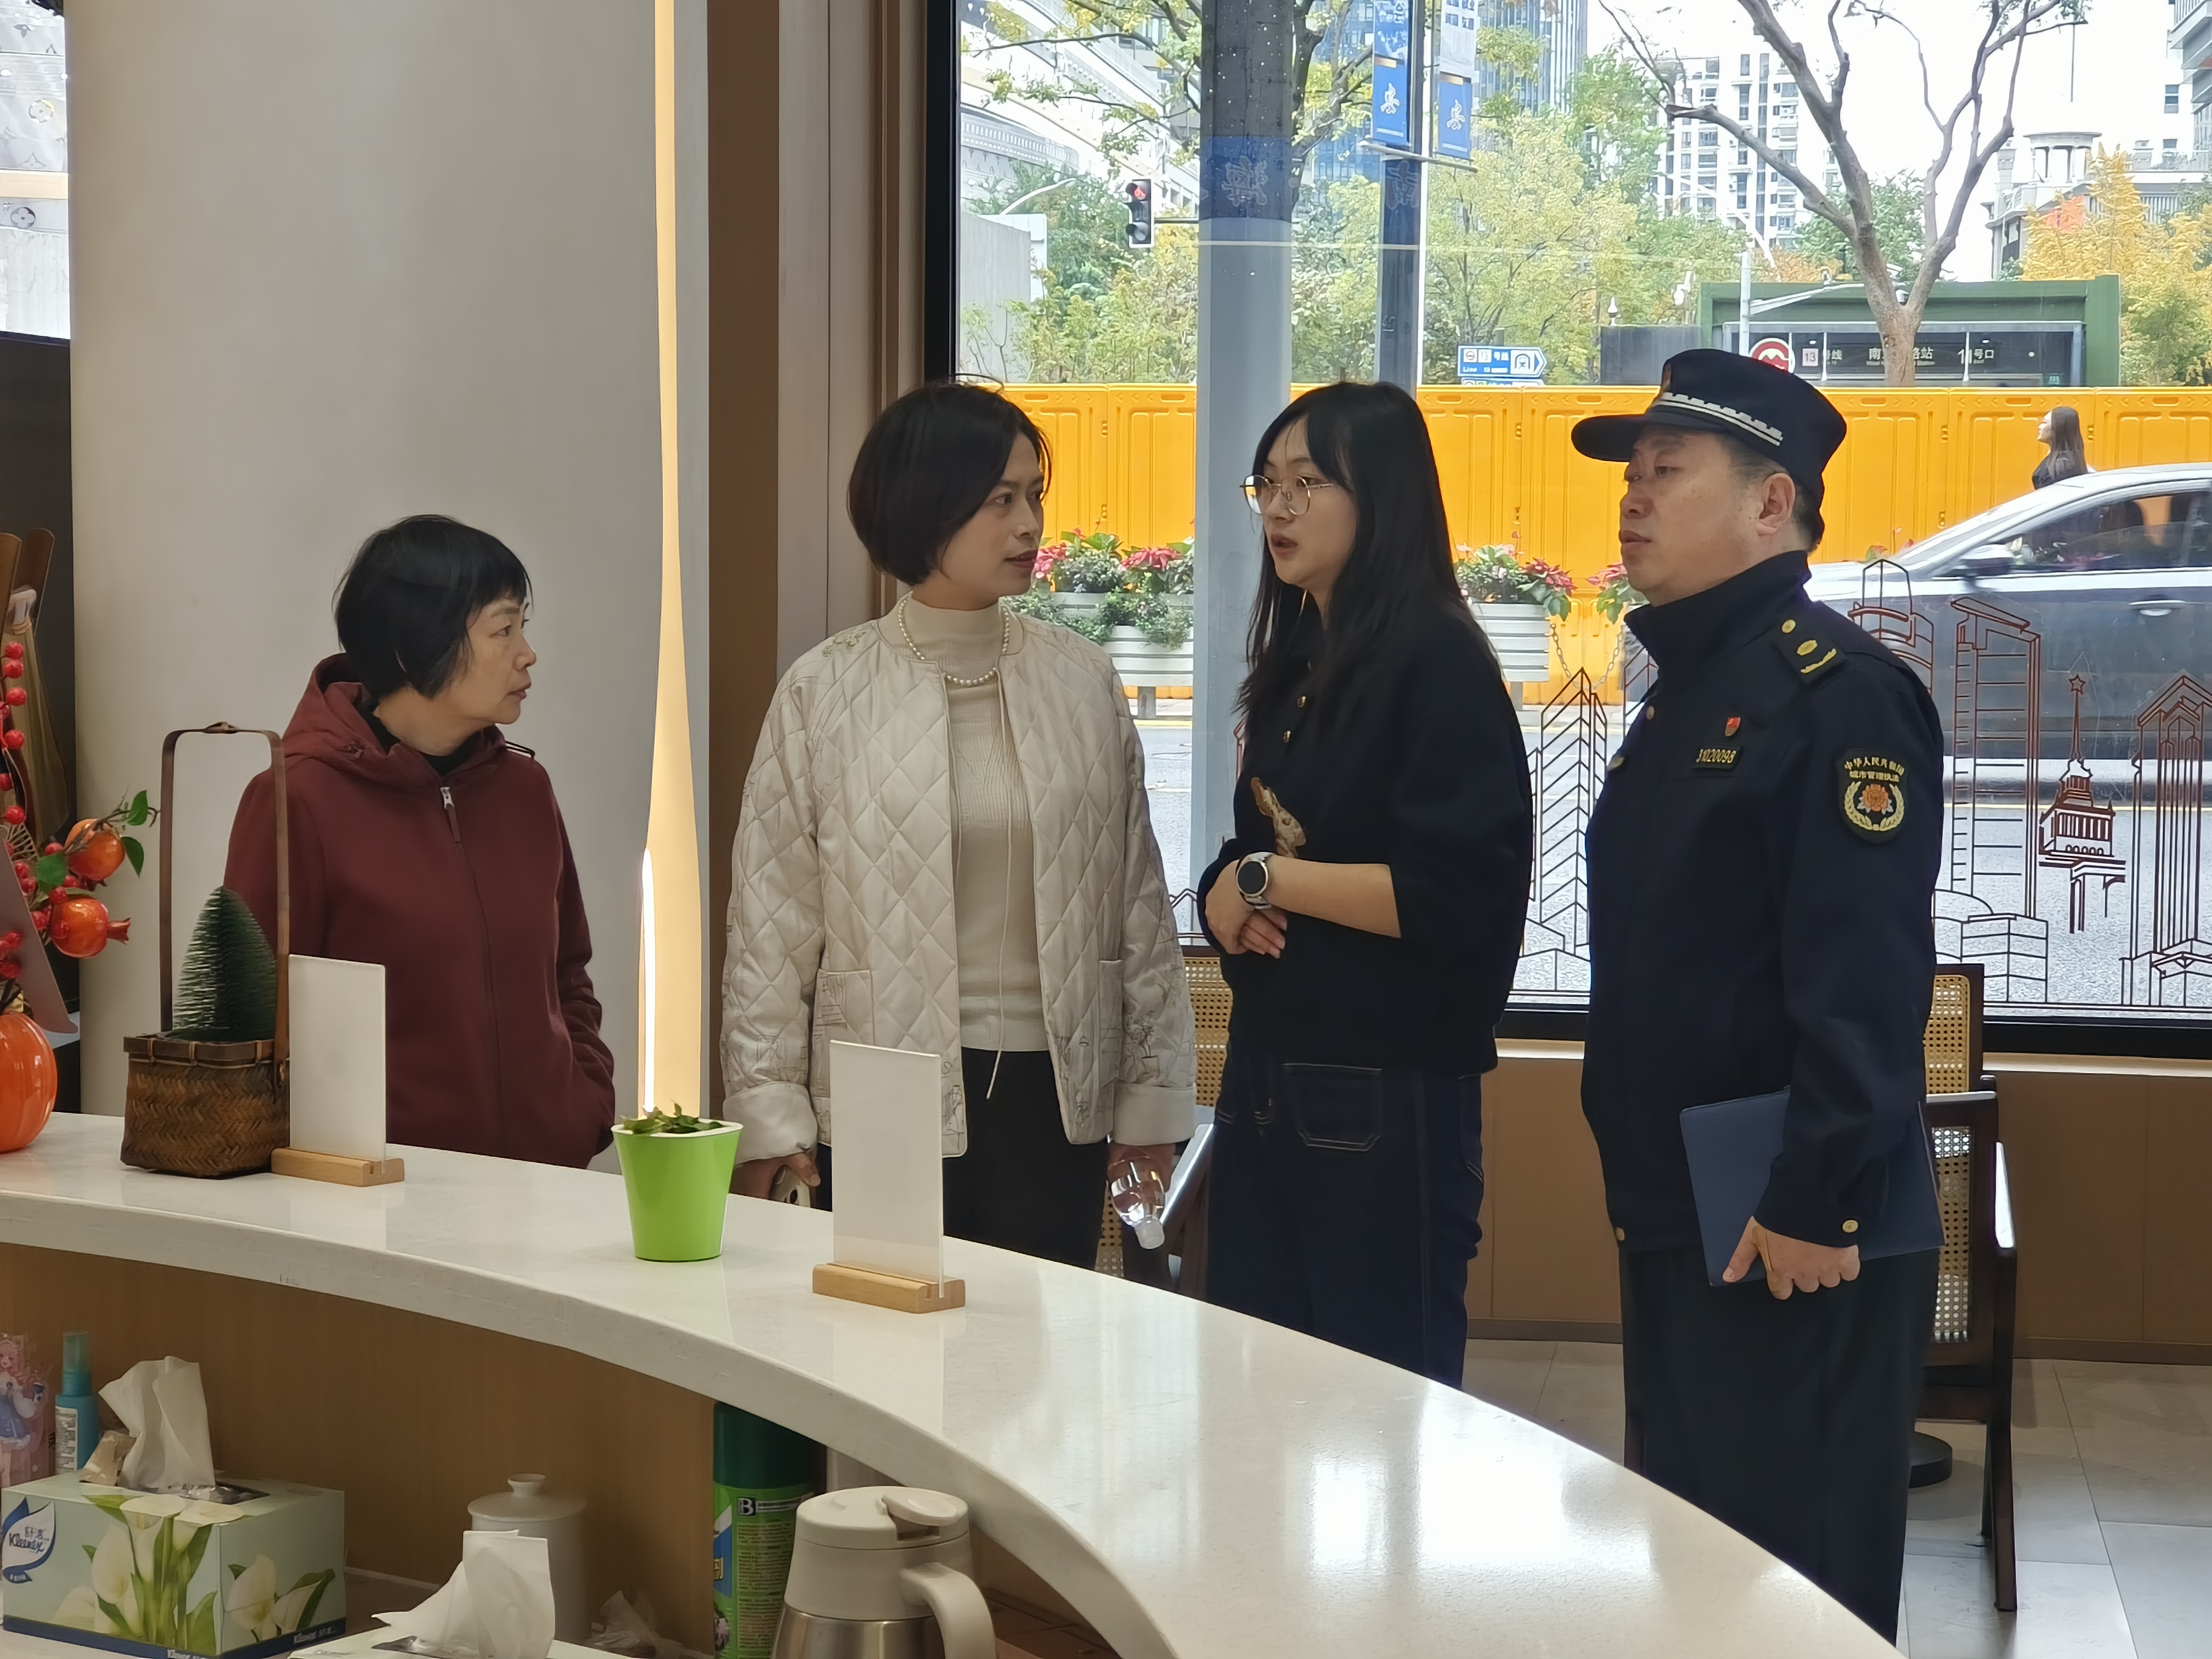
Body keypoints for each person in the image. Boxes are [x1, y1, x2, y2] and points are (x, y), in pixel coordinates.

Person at [1569, 350, 1944, 1640]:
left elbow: (1865, 981)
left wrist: (1812, 1197)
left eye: (1667, 472)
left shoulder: (1837, 697)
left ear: (1772, 502)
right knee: (1707, 1573)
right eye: (1631, 474)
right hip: (1686, 1205)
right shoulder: (1693, 692)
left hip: (1790, 1225)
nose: (1634, 497)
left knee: (1802, 1590)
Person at [722, 381, 1194, 1267]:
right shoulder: (825, 688)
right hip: (880, 1089)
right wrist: (769, 1112)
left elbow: (1137, 908)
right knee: (881, 1334)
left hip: (1057, 1091)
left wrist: (1151, 1103)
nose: (1029, 525)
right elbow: (771, 927)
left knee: (1033, 1338)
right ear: (923, 506)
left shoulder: (1081, 681)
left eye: (1034, 496)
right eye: (999, 501)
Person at [1197, 381, 1531, 1387]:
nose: (1277, 507)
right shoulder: (1302, 656)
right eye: (1267, 482)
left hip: (1382, 1090)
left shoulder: (1434, 656)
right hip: (1269, 1072)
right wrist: (1223, 892)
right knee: (1258, 1398)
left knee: (1381, 1409)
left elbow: (1451, 897)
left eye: (1308, 483)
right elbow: (1257, 845)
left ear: (1381, 495)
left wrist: (1264, 879)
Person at [227, 515, 616, 1166]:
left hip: (547, 1184)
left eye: (523, 626)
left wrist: (584, 1103)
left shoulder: (526, 790)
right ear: (413, 649)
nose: (527, 653)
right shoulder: (297, 800)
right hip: (386, 1196)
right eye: (503, 630)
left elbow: (568, 976)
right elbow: (252, 1026)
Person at [2032, 404, 2089, 488]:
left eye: (2044, 423)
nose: (2040, 427)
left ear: (2058, 428)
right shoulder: (2069, 461)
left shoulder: (2061, 467)